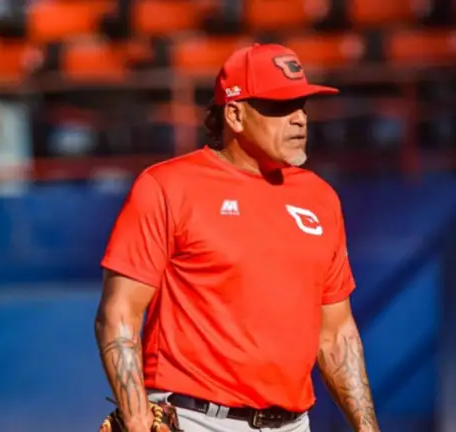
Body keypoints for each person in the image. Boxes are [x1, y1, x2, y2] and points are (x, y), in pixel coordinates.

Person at [95, 43, 379, 432]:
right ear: (234, 114)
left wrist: (367, 428)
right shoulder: (167, 187)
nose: (299, 119)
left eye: (302, 106)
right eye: (280, 106)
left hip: (295, 425)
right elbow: (119, 313)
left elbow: (336, 333)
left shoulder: (320, 198)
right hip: (196, 419)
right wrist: (137, 418)